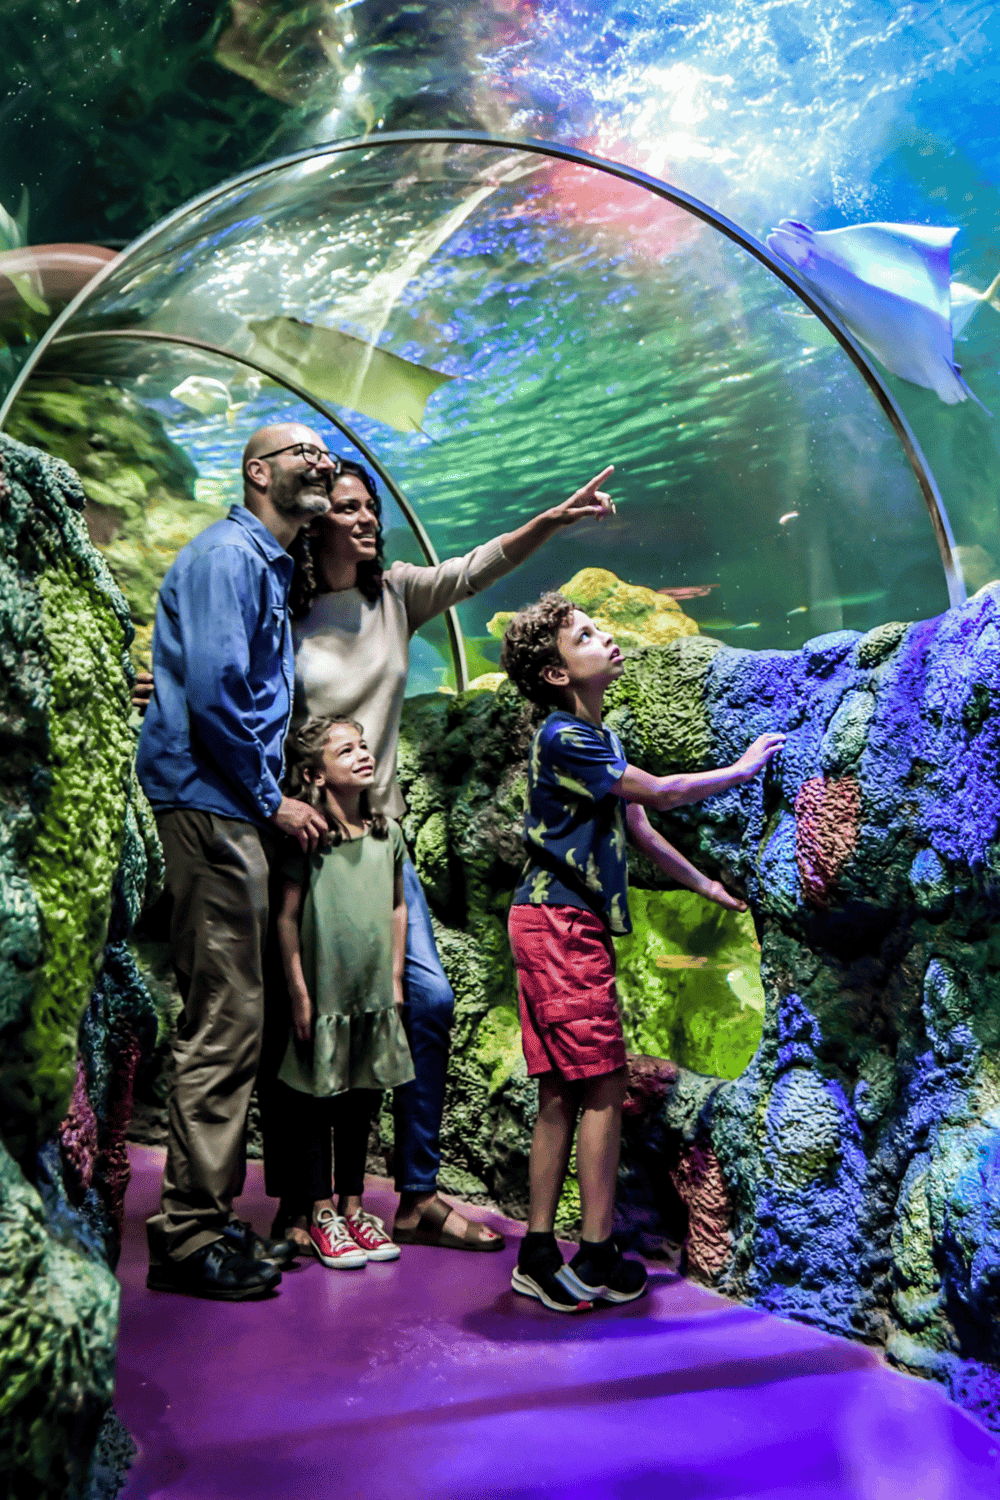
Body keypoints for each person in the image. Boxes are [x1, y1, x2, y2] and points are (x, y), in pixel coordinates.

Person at [267, 455, 619, 1253]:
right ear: (314, 521)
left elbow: (476, 567)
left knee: (427, 1003)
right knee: (304, 1022)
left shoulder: (394, 595)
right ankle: (301, 1202)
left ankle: (416, 1196)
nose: (365, 517)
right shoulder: (280, 609)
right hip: (311, 844)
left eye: (370, 505)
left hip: (383, 846)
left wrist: (554, 519)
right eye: (347, 507)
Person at [499, 593, 784, 1312]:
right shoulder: (566, 737)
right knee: (602, 1084)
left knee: (561, 1088)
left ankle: (539, 1252)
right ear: (557, 674)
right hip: (560, 924)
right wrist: (741, 770)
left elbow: (640, 832)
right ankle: (594, 1253)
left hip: (550, 921)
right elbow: (660, 794)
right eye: (585, 636)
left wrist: (705, 886)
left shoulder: (599, 736)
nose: (606, 637)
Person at [137, 424, 334, 1299]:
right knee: (225, 1018)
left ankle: (208, 1219)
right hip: (213, 802)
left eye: (325, 453)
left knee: (235, 1016)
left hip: (224, 804)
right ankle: (187, 1236)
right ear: (258, 472)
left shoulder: (264, 564)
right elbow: (218, 694)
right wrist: (270, 798)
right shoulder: (229, 557)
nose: (321, 460)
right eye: (302, 451)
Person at [271, 714, 415, 1269]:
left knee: (361, 1099)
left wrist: (396, 978)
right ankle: (319, 1209)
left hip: (372, 997)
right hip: (324, 997)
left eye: (363, 745)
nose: (362, 754)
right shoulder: (309, 841)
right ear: (314, 775)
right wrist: (299, 992)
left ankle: (354, 1205)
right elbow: (286, 918)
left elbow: (398, 906)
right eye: (345, 750)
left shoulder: (388, 834)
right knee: (315, 1103)